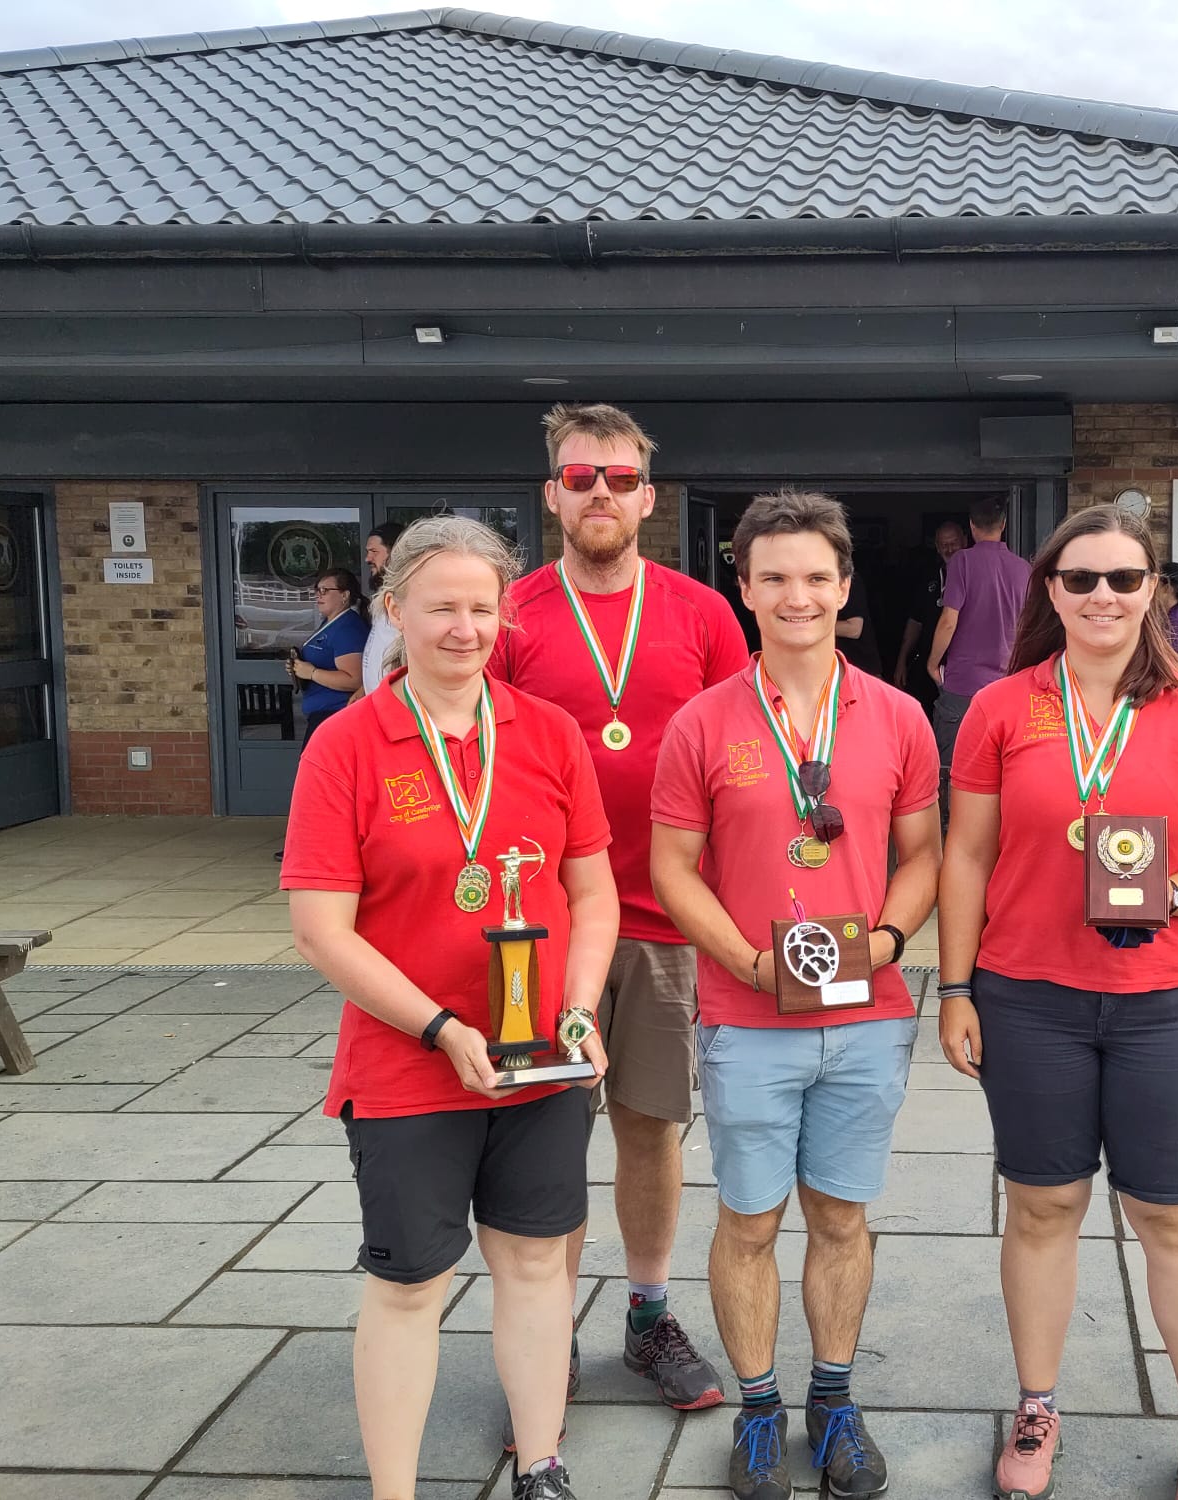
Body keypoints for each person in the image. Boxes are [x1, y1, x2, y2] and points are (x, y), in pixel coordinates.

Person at [937, 503, 1178, 1500]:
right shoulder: (1002, 708)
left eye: (1123, 579)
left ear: (1152, 591)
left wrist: (1165, 893)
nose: (1102, 596)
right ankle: (1037, 1404)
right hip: (1029, 997)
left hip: (1166, 1001)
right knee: (1042, 1207)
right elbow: (966, 855)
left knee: (1174, 1217)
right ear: (1049, 589)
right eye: (1080, 578)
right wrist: (952, 988)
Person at [281, 516, 619, 1500]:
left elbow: (592, 892)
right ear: (395, 610)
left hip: (539, 1060)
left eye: (482, 607)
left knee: (535, 1265)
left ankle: (541, 1461)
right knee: (410, 1284)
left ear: (505, 613)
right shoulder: (347, 746)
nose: (464, 628)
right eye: (440, 608)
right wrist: (439, 1028)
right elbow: (321, 931)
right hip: (408, 1067)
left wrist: (580, 1009)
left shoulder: (548, 733)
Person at [649, 490, 940, 1500]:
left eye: (816, 576)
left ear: (845, 585)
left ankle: (835, 1400)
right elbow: (671, 867)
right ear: (743, 587)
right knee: (748, 1222)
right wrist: (744, 960)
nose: (797, 596)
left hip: (867, 1015)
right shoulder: (701, 721)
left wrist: (889, 940)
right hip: (748, 1016)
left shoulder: (899, 716)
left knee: (842, 1220)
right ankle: (760, 1408)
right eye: (773, 577)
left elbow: (923, 854)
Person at [490, 402, 748, 1418]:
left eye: (619, 477)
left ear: (647, 497)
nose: (600, 491)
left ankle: (647, 1315)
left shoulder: (702, 612)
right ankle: (544, 1330)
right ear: (551, 495)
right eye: (579, 476)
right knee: (547, 1138)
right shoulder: (510, 613)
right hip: (539, 930)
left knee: (651, 1128)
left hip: (665, 919)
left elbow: (741, 752)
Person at [925, 499, 1030, 817]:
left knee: (951, 767)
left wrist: (932, 663)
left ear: (971, 527)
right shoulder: (1023, 569)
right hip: (1007, 683)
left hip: (963, 682)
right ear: (1004, 525)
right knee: (1001, 765)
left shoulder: (962, 562)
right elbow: (1029, 627)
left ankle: (950, 833)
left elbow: (949, 620)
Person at [890, 519, 966, 706]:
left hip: (964, 667)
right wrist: (902, 660)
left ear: (965, 541)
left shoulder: (975, 577)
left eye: (954, 543)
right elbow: (915, 622)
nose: (949, 549)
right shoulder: (929, 579)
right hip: (928, 665)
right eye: (944, 545)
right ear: (937, 548)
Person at [288, 567, 369, 739]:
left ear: (344, 595)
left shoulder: (348, 628)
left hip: (335, 716)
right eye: (317, 590)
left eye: (324, 590)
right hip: (325, 716)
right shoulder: (331, 622)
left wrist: (312, 673)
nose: (318, 595)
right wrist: (298, 668)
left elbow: (355, 680)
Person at [359, 521, 406, 698]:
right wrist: (363, 689)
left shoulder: (407, 597)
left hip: (397, 703)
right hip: (376, 700)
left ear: (394, 553)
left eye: (374, 552)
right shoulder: (385, 595)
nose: (367, 559)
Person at [834, 569, 882, 676]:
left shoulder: (849, 580)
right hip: (838, 669)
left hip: (862, 669)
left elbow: (854, 629)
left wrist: (814, 625)